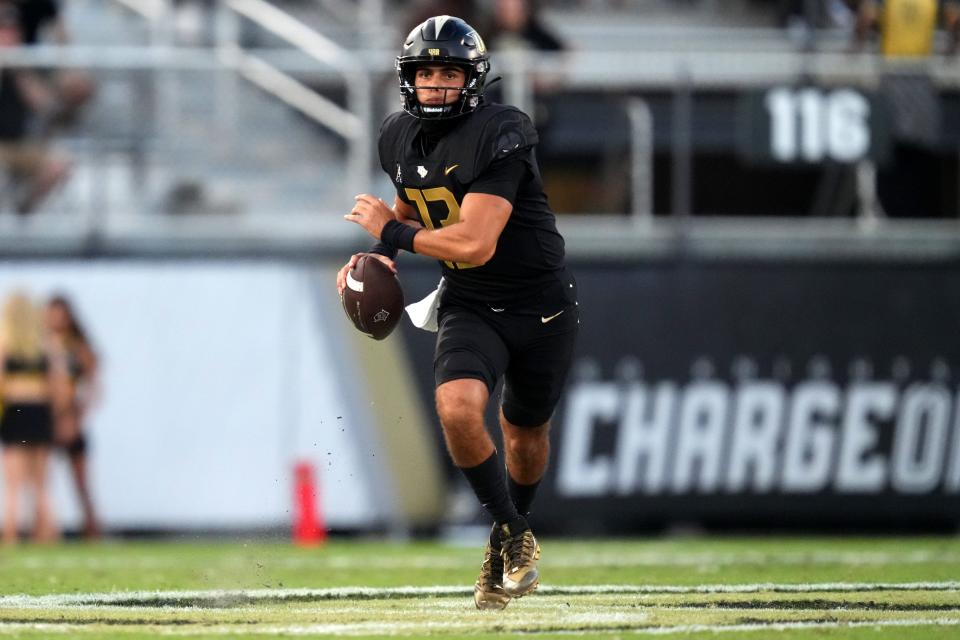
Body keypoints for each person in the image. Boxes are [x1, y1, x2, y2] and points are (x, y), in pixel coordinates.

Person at [336, 15, 579, 610]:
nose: (437, 86)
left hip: (540, 307)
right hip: (471, 303)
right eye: (427, 74)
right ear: (408, 80)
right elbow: (411, 197)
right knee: (458, 409)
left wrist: (392, 233)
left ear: (472, 79)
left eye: (449, 73)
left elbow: (474, 243)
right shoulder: (396, 134)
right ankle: (514, 538)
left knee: (525, 435)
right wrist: (381, 254)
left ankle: (505, 542)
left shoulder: (503, 130)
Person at [0, 291, 68, 544]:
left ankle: (10, 536)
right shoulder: (46, 342)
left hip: (16, 411)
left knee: (14, 483)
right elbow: (58, 384)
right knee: (41, 482)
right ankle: (48, 534)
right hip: (39, 412)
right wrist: (56, 413)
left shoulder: (5, 341)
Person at [0, 1, 70, 215]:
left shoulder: (24, 72)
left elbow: (48, 108)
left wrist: (20, 70)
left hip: (18, 145)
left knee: (59, 164)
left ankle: (22, 214)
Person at [45, 295, 101, 540]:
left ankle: (92, 530)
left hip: (71, 421)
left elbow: (92, 384)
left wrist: (79, 415)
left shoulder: (77, 346)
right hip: (45, 421)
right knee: (40, 483)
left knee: (81, 483)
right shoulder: (40, 345)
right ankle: (46, 531)